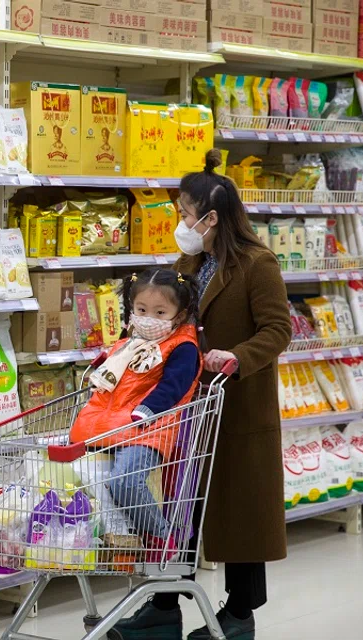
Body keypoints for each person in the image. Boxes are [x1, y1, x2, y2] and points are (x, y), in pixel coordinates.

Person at [108, 149, 292, 640]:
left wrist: (238, 356)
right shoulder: (191, 259)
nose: (180, 221)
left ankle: (238, 615)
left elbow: (278, 330)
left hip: (237, 406)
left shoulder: (258, 264)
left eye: (185, 213)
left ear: (211, 218)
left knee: (240, 514)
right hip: (188, 406)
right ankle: (167, 604)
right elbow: (172, 314)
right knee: (182, 505)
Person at [71, 268, 203, 562]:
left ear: (179, 315)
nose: (148, 318)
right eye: (141, 310)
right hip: (107, 428)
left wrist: (148, 410)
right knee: (72, 476)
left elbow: (175, 386)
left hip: (148, 430)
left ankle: (160, 535)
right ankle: (116, 536)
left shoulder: (182, 347)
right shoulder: (127, 341)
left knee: (124, 481)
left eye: (159, 312)